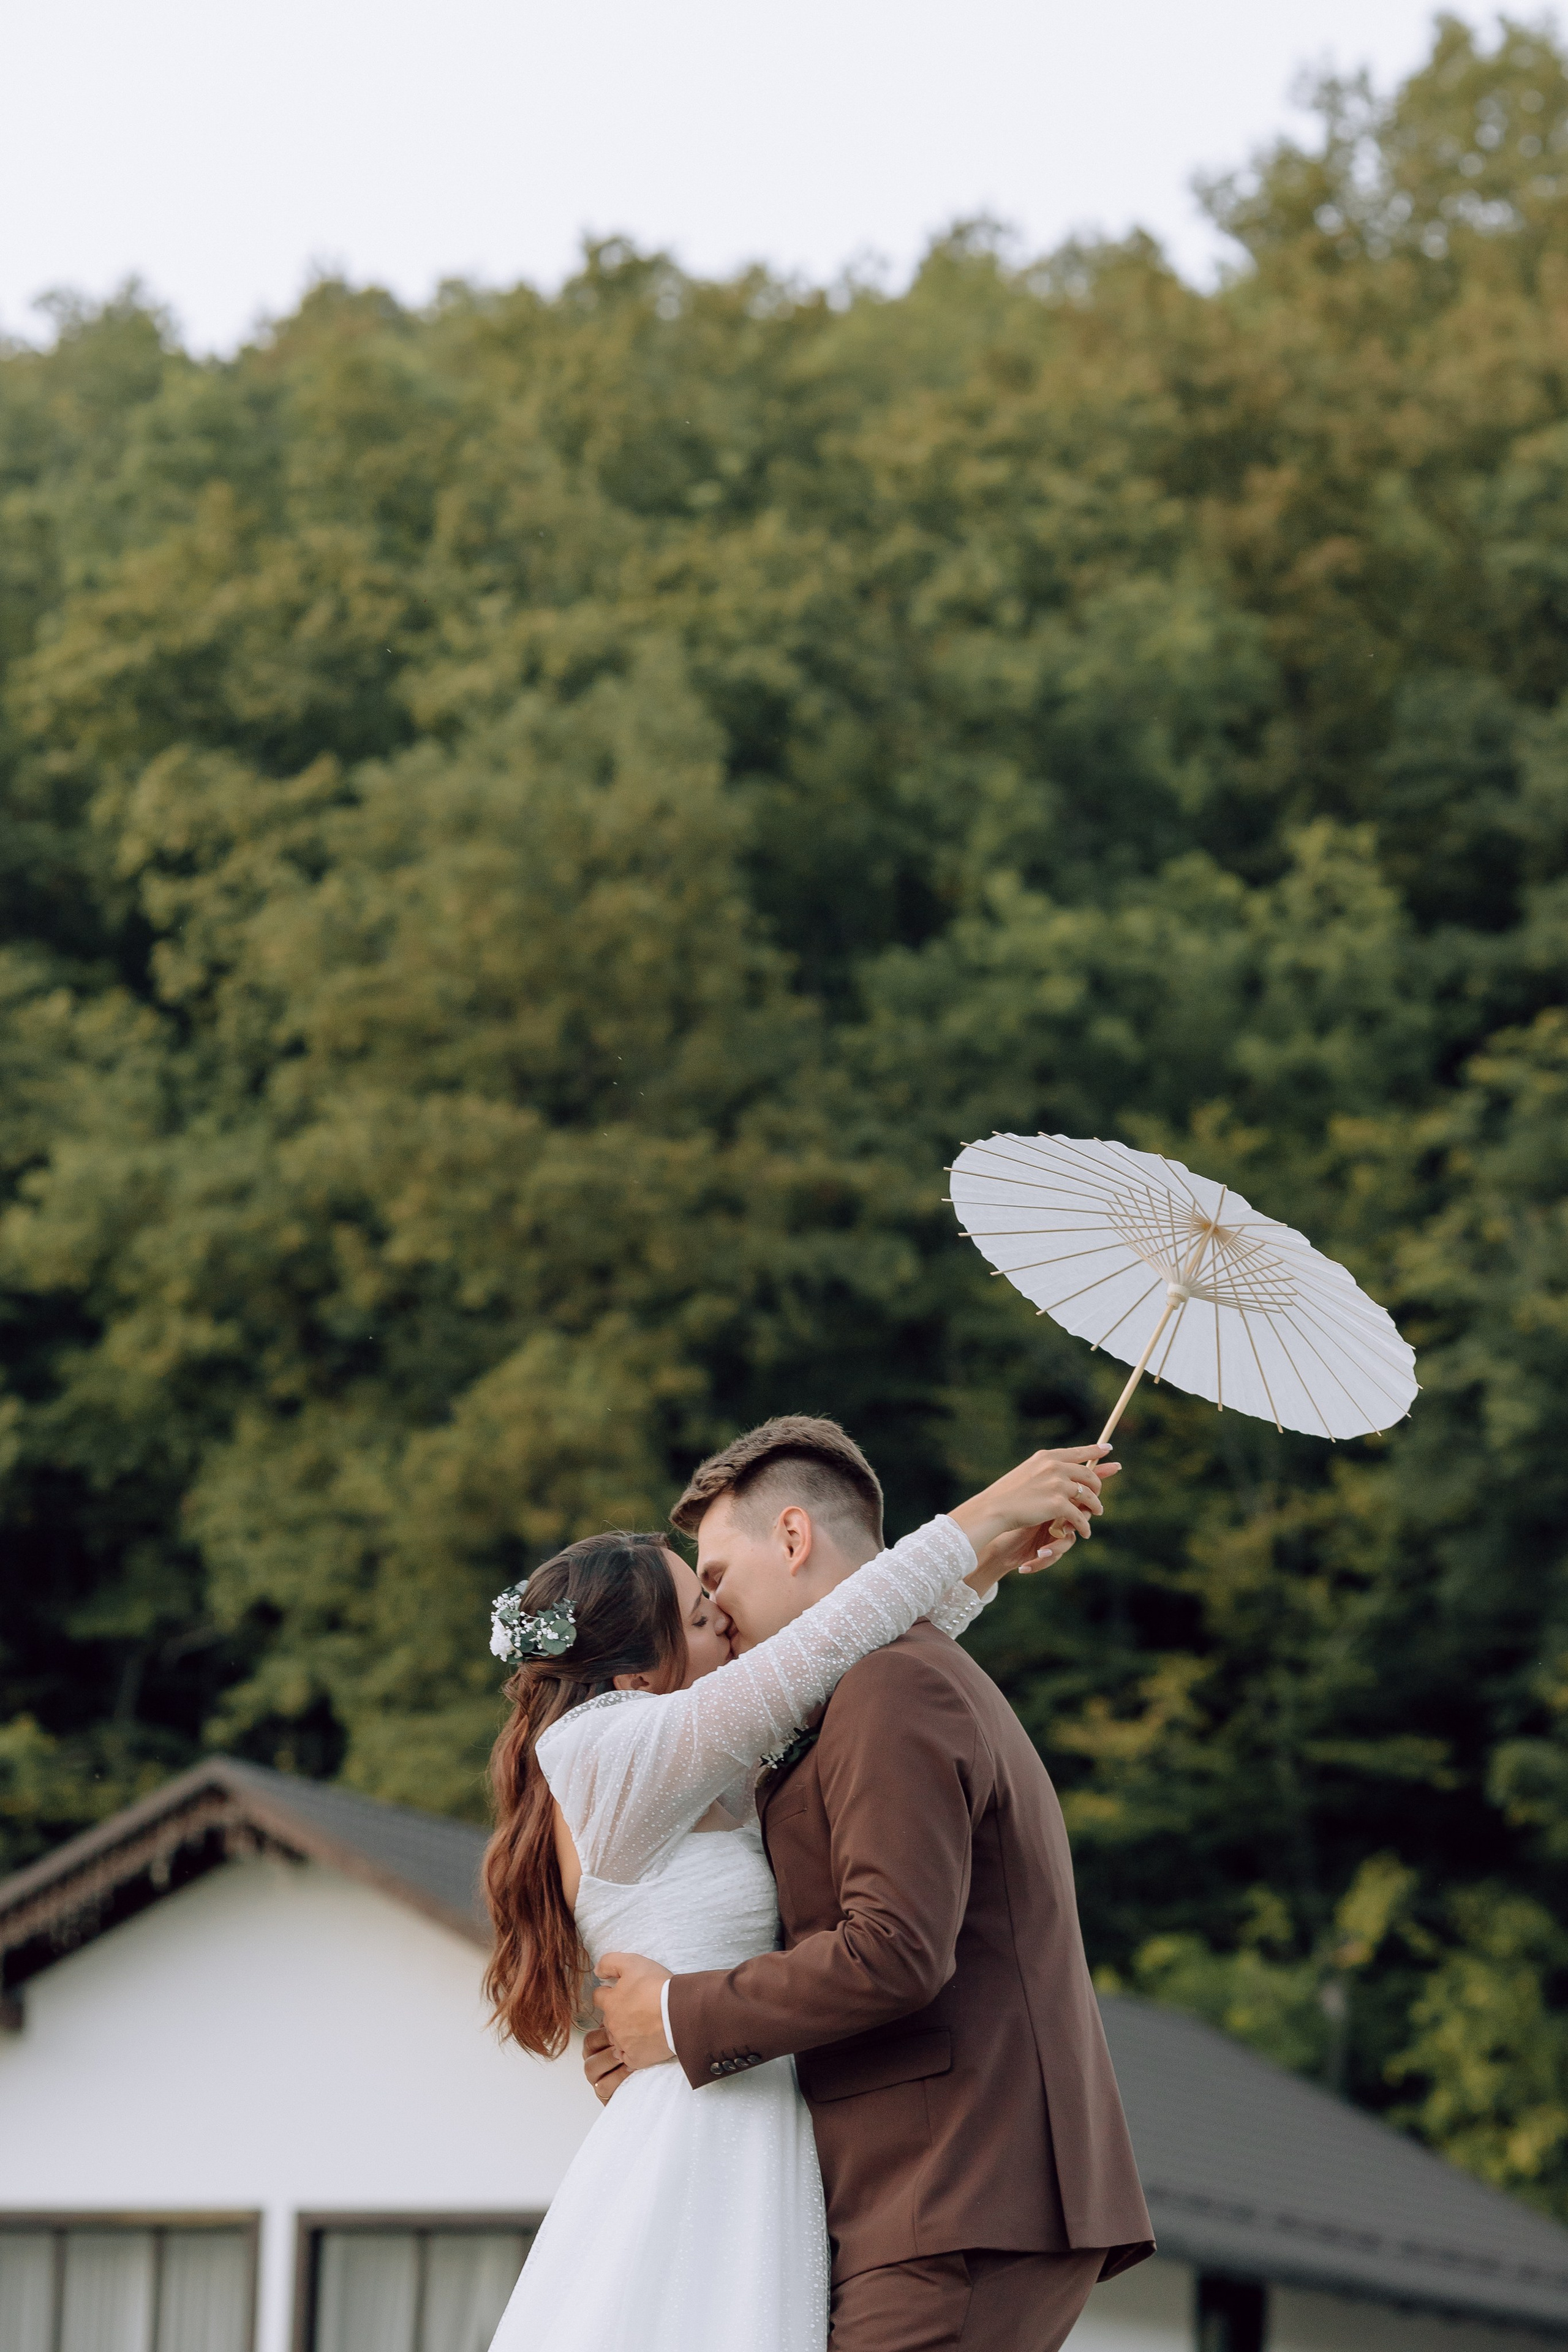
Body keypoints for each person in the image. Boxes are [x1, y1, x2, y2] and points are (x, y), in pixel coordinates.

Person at [480, 1424, 1116, 2352]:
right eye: (701, 1615)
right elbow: (823, 1661)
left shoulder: (730, 1752)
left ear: (790, 1538)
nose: (723, 1617)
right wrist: (980, 1518)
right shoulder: (615, 1748)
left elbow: (847, 1663)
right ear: (632, 1675)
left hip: (867, 2169)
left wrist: (980, 1566)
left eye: (716, 1587)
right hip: (727, 2144)